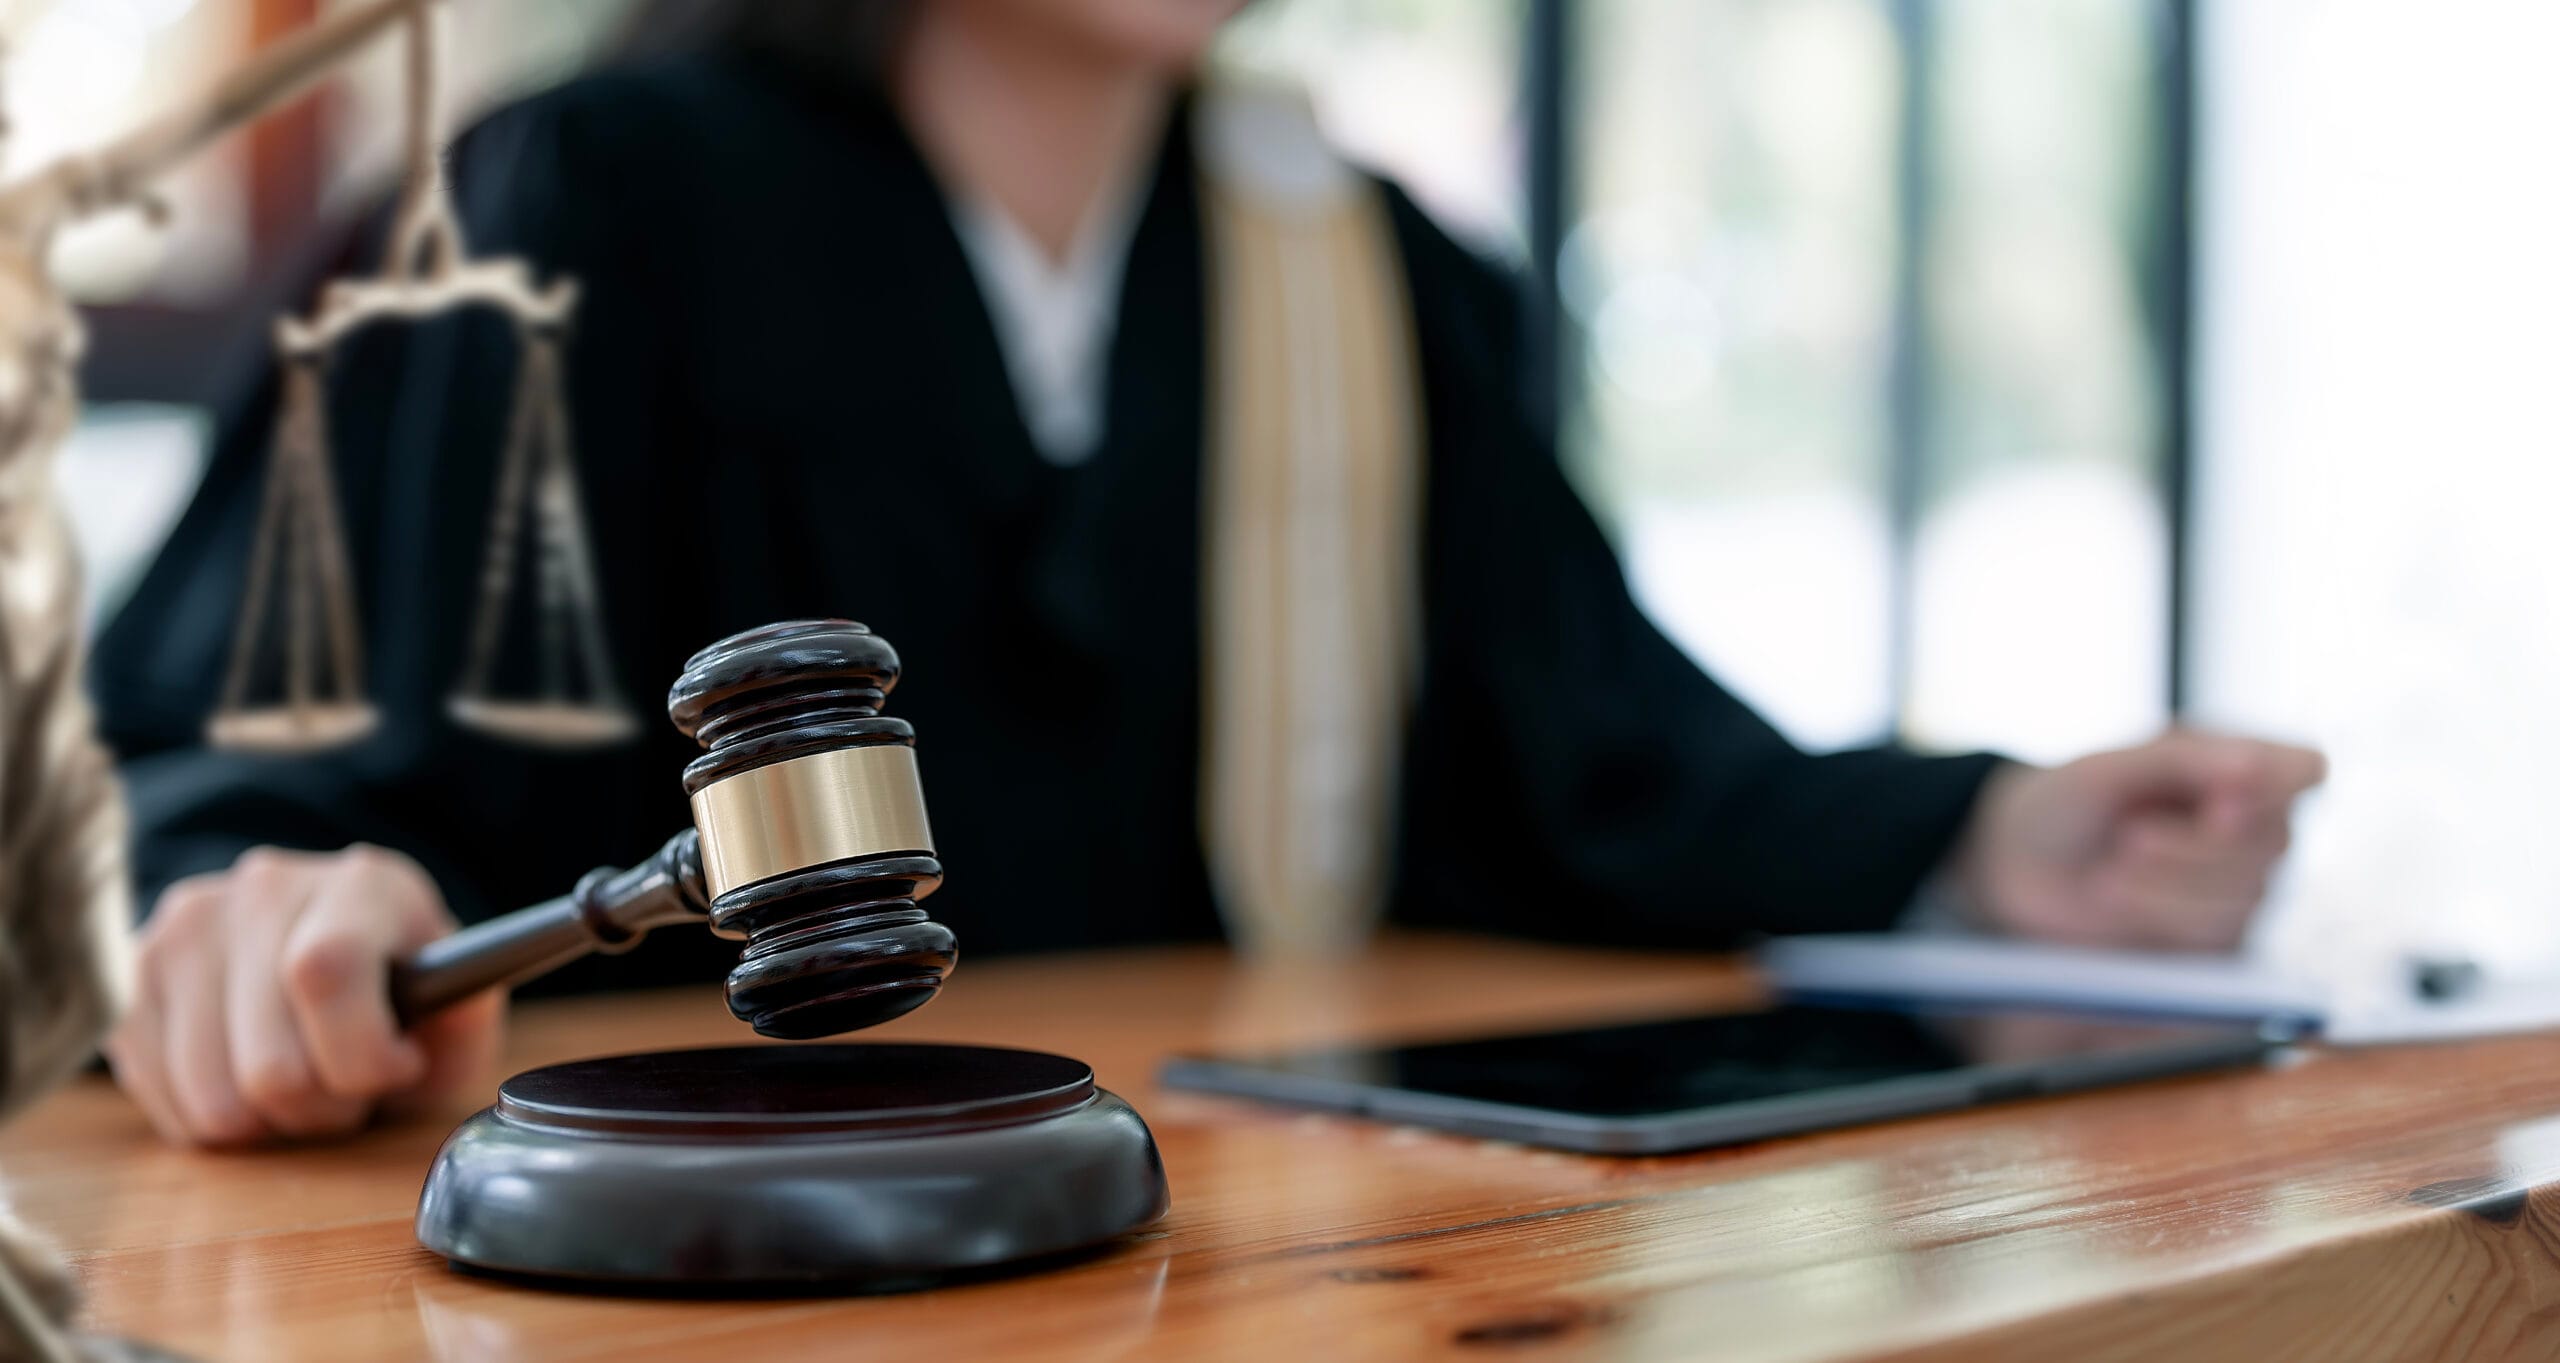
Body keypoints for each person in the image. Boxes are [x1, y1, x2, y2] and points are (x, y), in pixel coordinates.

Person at [91, 0, 2323, 1147]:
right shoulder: (565, 212)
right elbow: (242, 780)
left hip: (1239, 1276)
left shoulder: (1362, 278)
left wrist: (1980, 833)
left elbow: (1584, 771)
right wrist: (279, 905)